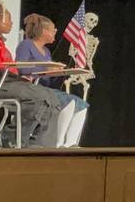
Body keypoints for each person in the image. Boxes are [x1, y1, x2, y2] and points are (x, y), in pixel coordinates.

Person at [0, 0, 61, 148]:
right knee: (39, 97)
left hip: (7, 82)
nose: (11, 23)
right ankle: (11, 137)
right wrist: (19, 75)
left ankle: (42, 145)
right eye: (9, 20)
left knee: (53, 99)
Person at [15, 14, 89, 147]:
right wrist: (46, 67)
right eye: (53, 29)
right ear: (44, 31)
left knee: (82, 105)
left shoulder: (46, 51)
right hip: (31, 89)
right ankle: (59, 143)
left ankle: (70, 143)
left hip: (45, 88)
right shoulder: (26, 45)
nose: (55, 32)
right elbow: (22, 69)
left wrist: (62, 73)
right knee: (69, 103)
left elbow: (48, 81)